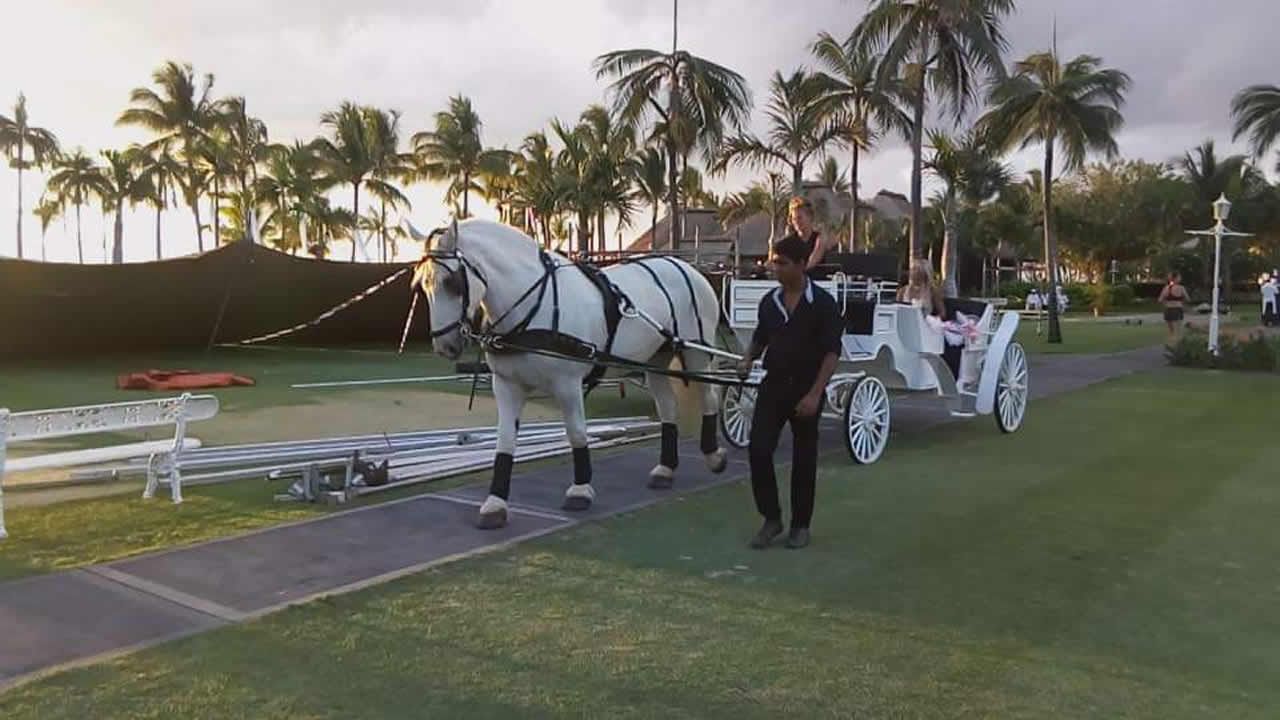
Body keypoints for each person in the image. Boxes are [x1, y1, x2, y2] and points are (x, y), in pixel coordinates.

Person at [735, 235, 842, 549]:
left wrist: (814, 395)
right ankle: (772, 518)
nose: (774, 268)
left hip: (807, 387)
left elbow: (831, 352)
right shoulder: (770, 302)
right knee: (758, 450)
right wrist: (747, 359)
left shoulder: (823, 304)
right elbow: (760, 337)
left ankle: (800, 525)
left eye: (781, 263)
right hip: (774, 385)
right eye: (774, 262)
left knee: (804, 458)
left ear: (800, 265)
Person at [782, 196, 836, 277]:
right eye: (794, 219)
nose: (796, 222)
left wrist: (798, 271)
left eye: (799, 218)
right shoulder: (790, 240)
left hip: (817, 280)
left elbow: (813, 260)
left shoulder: (820, 239)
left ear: (809, 217)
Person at [1158, 272, 1189, 341]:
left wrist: (1166, 303)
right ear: (1176, 278)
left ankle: (1171, 341)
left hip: (1168, 309)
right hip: (1177, 309)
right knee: (1178, 329)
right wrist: (1182, 302)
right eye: (1179, 277)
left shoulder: (1166, 288)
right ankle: (1178, 342)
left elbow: (1160, 300)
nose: (1180, 279)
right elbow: (1187, 298)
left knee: (1171, 330)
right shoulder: (1181, 288)